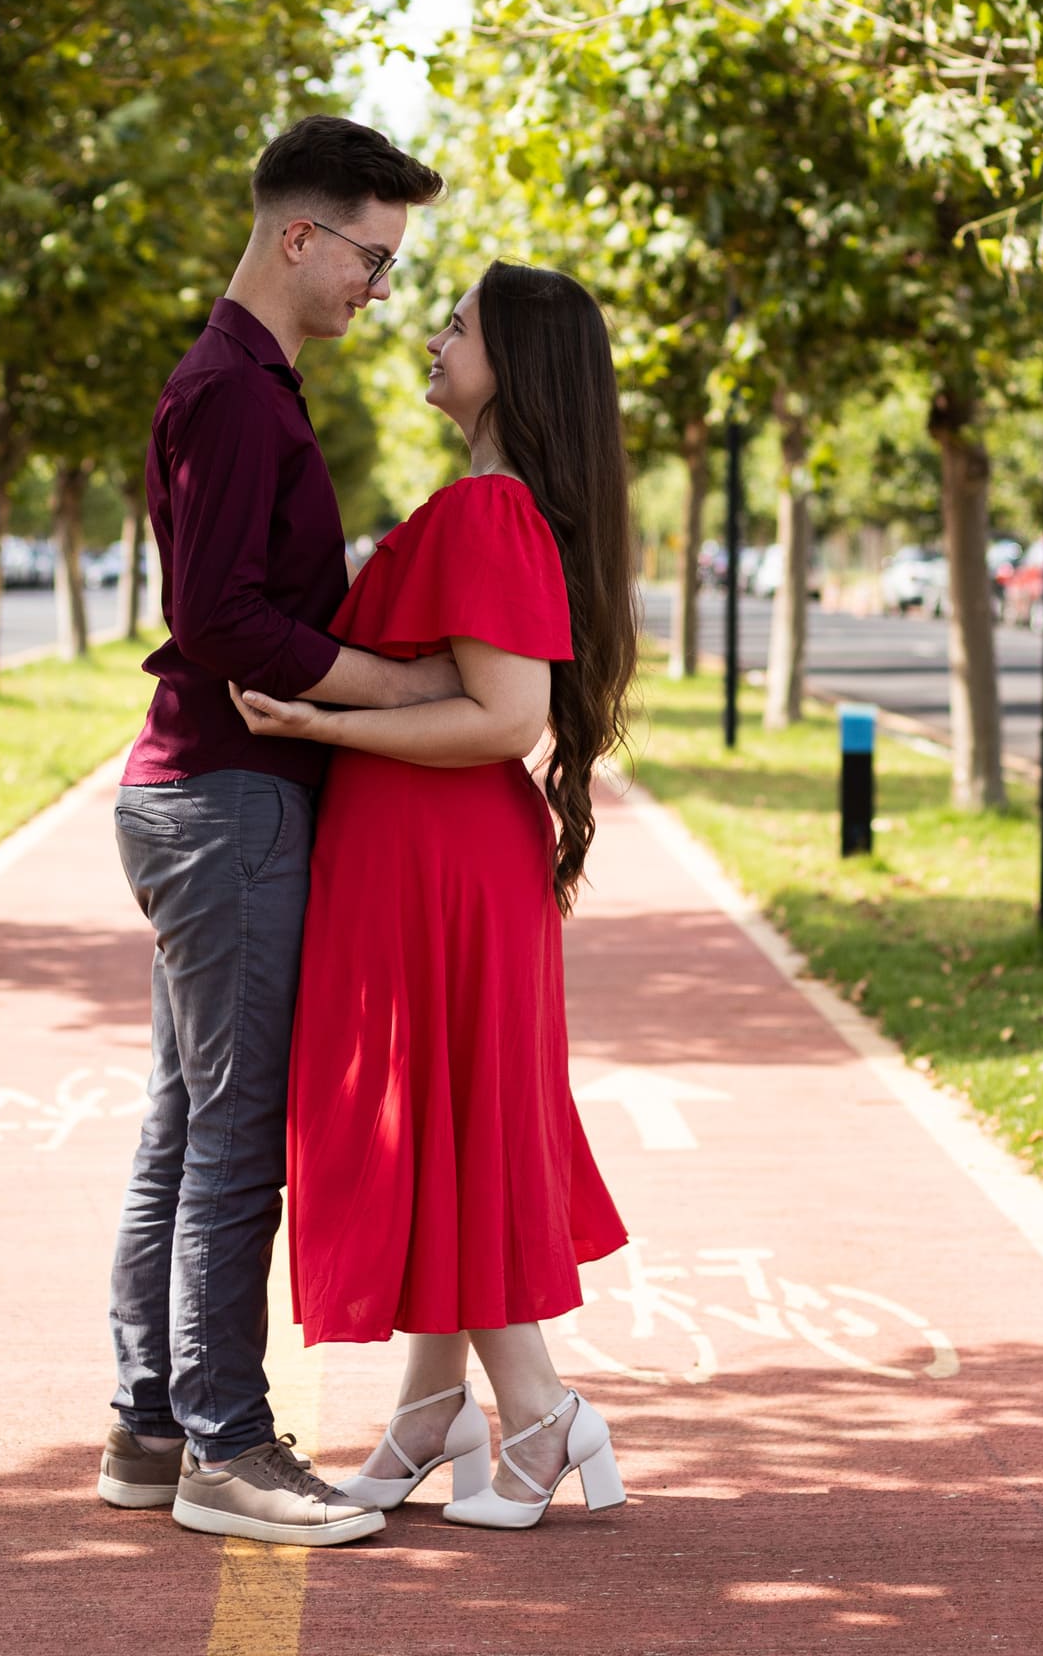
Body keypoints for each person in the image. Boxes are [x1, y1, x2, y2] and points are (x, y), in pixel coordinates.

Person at [232, 260, 640, 1531]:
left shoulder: (486, 510)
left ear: (511, 364)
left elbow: (503, 715)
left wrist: (321, 724)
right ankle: (431, 1411)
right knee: (441, 1120)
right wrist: (319, 704)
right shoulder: (493, 506)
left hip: (437, 856)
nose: (431, 330)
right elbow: (445, 684)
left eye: (455, 321)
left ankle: (540, 1412)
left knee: (439, 1116)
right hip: (434, 852)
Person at [97, 116, 449, 1549]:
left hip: (203, 792)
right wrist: (404, 686)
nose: (381, 289)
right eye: (372, 257)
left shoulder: (241, 383)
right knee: (237, 1136)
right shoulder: (238, 397)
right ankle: (226, 1450)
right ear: (301, 236)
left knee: (186, 1126)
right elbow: (226, 624)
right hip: (228, 795)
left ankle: (151, 1425)